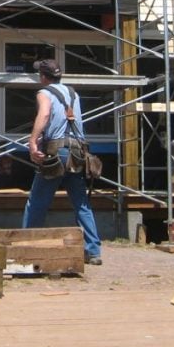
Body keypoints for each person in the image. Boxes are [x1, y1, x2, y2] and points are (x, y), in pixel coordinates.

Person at [22, 58, 103, 265]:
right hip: (77, 153)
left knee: (37, 202)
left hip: (56, 154)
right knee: (81, 203)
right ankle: (93, 251)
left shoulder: (44, 93)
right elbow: (67, 122)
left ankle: (27, 245)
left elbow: (46, 113)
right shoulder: (73, 94)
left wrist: (32, 141)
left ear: (42, 76)